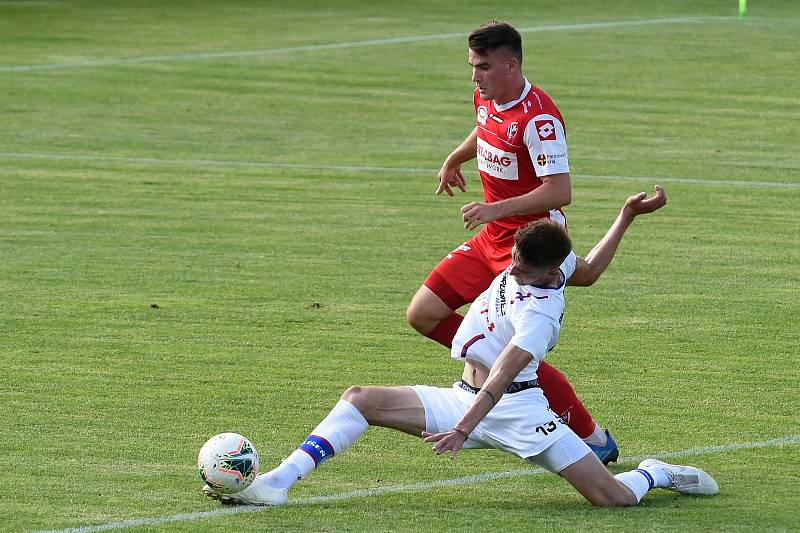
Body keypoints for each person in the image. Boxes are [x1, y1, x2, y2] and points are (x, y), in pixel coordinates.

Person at [204, 186, 718, 507]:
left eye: (517, 265)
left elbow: (501, 378)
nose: (509, 267)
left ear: (541, 272)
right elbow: (590, 271)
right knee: (360, 398)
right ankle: (276, 482)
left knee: (613, 499)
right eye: (512, 256)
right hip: (461, 395)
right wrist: (626, 215)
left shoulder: (539, 316)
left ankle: (655, 471)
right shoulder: (553, 260)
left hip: (515, 410)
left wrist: (461, 430)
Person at [405, 20, 615, 461]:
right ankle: (486, 362)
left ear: (510, 64)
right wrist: (454, 158)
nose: (474, 76)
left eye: (482, 67)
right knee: (422, 313)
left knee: (521, 353)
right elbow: (484, 127)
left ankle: (593, 437)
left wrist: (495, 209)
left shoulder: (539, 118)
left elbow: (561, 191)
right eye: (472, 66)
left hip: (529, 248)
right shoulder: (488, 95)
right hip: (491, 238)